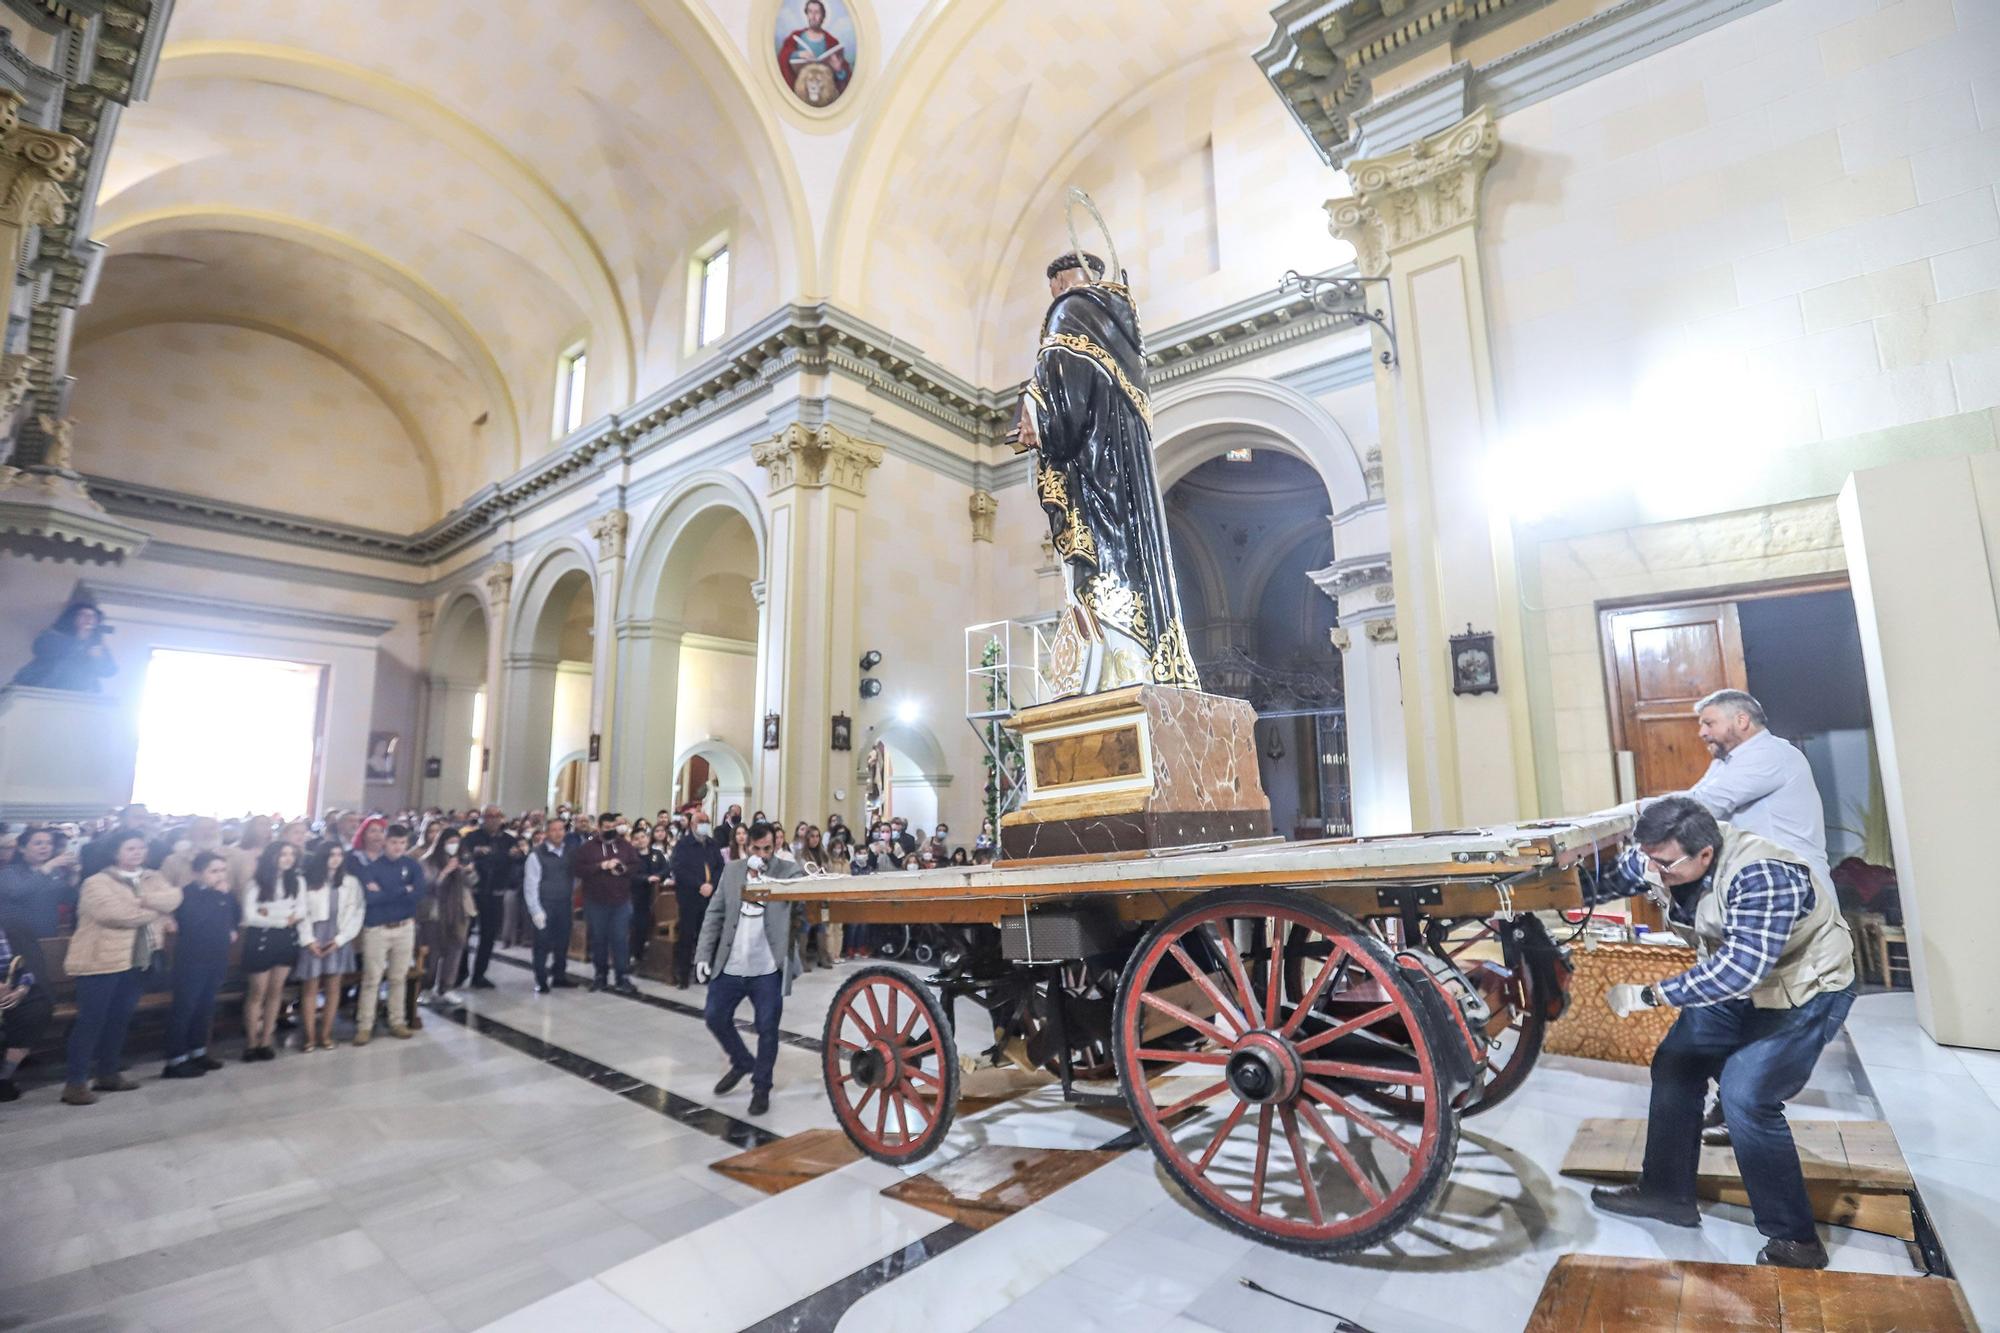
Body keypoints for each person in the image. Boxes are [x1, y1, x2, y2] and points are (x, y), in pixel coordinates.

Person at [1585, 797, 1857, 1270]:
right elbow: (1603, 881)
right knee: (1675, 1066)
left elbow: (1740, 970)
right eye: (1648, 858)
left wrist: (1649, 995)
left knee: (1747, 1097)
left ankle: (1795, 1242)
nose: (1651, 870)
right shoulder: (1662, 854)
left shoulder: (1763, 875)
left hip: (1803, 989)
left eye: (1663, 863)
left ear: (1704, 854)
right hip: (1739, 983)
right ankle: (1666, 1194)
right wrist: (1529, 892)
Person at [1018, 250, 1200, 694]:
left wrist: (1033, 420)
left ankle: (1115, 667)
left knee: (1101, 567)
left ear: (1064, 281)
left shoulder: (1069, 313)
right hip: (1127, 478)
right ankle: (1148, 659)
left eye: (1054, 287)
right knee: (1138, 560)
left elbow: (1064, 410)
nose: (1054, 296)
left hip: (1095, 479)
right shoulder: (1123, 328)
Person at [62, 830, 180, 1105]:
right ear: (115, 852)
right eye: (130, 848)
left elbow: (174, 898)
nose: (137, 853)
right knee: (91, 1021)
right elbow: (117, 916)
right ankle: (75, 1082)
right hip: (100, 960)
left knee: (120, 1018)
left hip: (137, 959)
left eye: (140, 848)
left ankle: (108, 1073)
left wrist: (145, 901)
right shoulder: (96, 882)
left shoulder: (152, 876)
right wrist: (154, 910)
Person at [693, 822, 801, 1116]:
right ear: (745, 846)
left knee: (767, 1028)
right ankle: (741, 1061)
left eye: (768, 848)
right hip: (731, 964)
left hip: (767, 967)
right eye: (756, 849)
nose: (762, 854)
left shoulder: (788, 872)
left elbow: (804, 902)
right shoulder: (732, 871)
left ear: (775, 846)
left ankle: (761, 1086)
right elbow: (714, 913)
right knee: (715, 1017)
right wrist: (703, 954)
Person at [1674, 689, 1831, 884]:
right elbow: (1694, 799)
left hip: (1790, 883)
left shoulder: (1770, 754)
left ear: (1742, 721)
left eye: (1709, 724)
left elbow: (1705, 804)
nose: (1702, 733)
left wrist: (1634, 811)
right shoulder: (1723, 763)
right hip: (1761, 880)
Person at [163, 852, 238, 1077]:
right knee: (185, 1007)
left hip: (217, 957)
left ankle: (198, 1051)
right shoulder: (187, 894)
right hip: (192, 959)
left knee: (205, 1007)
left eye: (222, 870)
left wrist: (232, 927)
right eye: (213, 871)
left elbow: (233, 915)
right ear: (198, 873)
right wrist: (217, 897)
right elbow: (195, 921)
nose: (219, 876)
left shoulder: (225, 894)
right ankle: (176, 1059)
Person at [355, 823, 426, 1043]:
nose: (398, 847)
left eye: (402, 843)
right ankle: (365, 1025)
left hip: (404, 927)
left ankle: (398, 1021)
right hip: (378, 927)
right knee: (372, 978)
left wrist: (388, 892)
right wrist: (403, 890)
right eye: (394, 842)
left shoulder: (413, 866)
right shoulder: (372, 867)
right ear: (385, 842)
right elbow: (371, 899)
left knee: (398, 977)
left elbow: (419, 893)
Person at [238, 841, 304, 1061]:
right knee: (258, 992)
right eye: (283, 854)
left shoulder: (297, 880)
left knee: (276, 991)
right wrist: (282, 917)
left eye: (291, 854)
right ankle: (251, 1042)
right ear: (272, 856)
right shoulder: (256, 883)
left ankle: (266, 1039)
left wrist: (271, 914)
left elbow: (300, 910)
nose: (288, 858)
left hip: (285, 939)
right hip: (261, 938)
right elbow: (250, 916)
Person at [295, 844, 362, 1052]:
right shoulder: (308, 882)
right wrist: (308, 939)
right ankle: (310, 1036)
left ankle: (325, 1034)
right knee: (311, 989)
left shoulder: (350, 882)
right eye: (331, 855)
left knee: (333, 988)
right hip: (314, 937)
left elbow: (356, 912)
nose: (336, 859)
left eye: (339, 855)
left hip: (337, 937)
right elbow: (301, 912)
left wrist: (341, 939)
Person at [574, 815, 637, 994]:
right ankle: (600, 975)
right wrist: (601, 865)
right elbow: (579, 869)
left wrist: (624, 869)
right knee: (599, 939)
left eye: (613, 826)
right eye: (607, 826)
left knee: (620, 939)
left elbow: (635, 865)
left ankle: (622, 976)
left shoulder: (625, 846)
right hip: (596, 901)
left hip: (621, 901)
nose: (610, 829)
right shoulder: (587, 848)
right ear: (600, 828)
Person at [460, 806, 516, 990]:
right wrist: (475, 853)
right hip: (474, 893)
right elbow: (463, 858)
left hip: (495, 894)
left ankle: (479, 975)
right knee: (465, 934)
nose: (492, 820)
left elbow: (515, 860)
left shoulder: (509, 840)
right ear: (483, 818)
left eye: (496, 816)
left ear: (501, 819)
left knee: (488, 936)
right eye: (488, 816)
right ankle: (461, 972)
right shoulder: (471, 838)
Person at [417, 827, 473, 1006]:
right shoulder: (427, 861)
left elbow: (473, 883)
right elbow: (428, 886)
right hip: (435, 911)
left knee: (455, 950)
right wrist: (446, 871)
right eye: (450, 842)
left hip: (458, 911)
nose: (453, 846)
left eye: (456, 842)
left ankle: (447, 987)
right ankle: (426, 987)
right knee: (432, 952)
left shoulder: (461, 859)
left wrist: (468, 871)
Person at [10, 600, 116, 693]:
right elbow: (40, 648)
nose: (88, 619)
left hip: (78, 694)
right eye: (83, 614)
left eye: (92, 616)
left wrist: (99, 658)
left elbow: (109, 671)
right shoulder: (53, 636)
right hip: (42, 687)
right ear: (72, 617)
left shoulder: (96, 646)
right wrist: (78, 640)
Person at [0, 912, 52, 1100]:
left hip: (12, 985)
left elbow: (29, 963)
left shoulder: (13, 923)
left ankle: (4, 1076)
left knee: (36, 1010)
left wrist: (20, 989)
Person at [669, 815, 722, 989]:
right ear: (692, 825)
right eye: (701, 823)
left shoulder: (712, 844)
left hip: (709, 897)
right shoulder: (683, 845)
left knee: (706, 936)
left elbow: (719, 867)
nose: (704, 826)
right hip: (690, 897)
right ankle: (683, 975)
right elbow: (679, 869)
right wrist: (699, 885)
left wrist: (712, 885)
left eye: (707, 822)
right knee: (687, 936)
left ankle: (704, 973)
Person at [524, 818, 575, 994]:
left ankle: (559, 975)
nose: (558, 833)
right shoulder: (536, 855)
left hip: (564, 904)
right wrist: (535, 910)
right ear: (546, 833)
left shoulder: (569, 851)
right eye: (554, 830)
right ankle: (541, 979)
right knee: (542, 944)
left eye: (561, 830)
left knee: (562, 942)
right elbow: (530, 885)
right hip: (545, 904)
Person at [0, 827, 79, 937]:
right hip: (18, 937)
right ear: (22, 848)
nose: (45, 847)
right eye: (38, 843)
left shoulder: (55, 872)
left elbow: (69, 900)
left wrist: (74, 875)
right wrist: (46, 868)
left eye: (49, 843)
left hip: (49, 934)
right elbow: (18, 893)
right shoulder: (9, 872)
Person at [630, 825, 667, 969]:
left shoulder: (657, 854)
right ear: (633, 841)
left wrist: (659, 876)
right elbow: (631, 875)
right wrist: (646, 878)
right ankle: (636, 955)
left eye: (643, 837)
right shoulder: (632, 856)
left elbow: (666, 868)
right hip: (638, 897)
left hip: (656, 895)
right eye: (637, 838)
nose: (641, 840)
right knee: (639, 926)